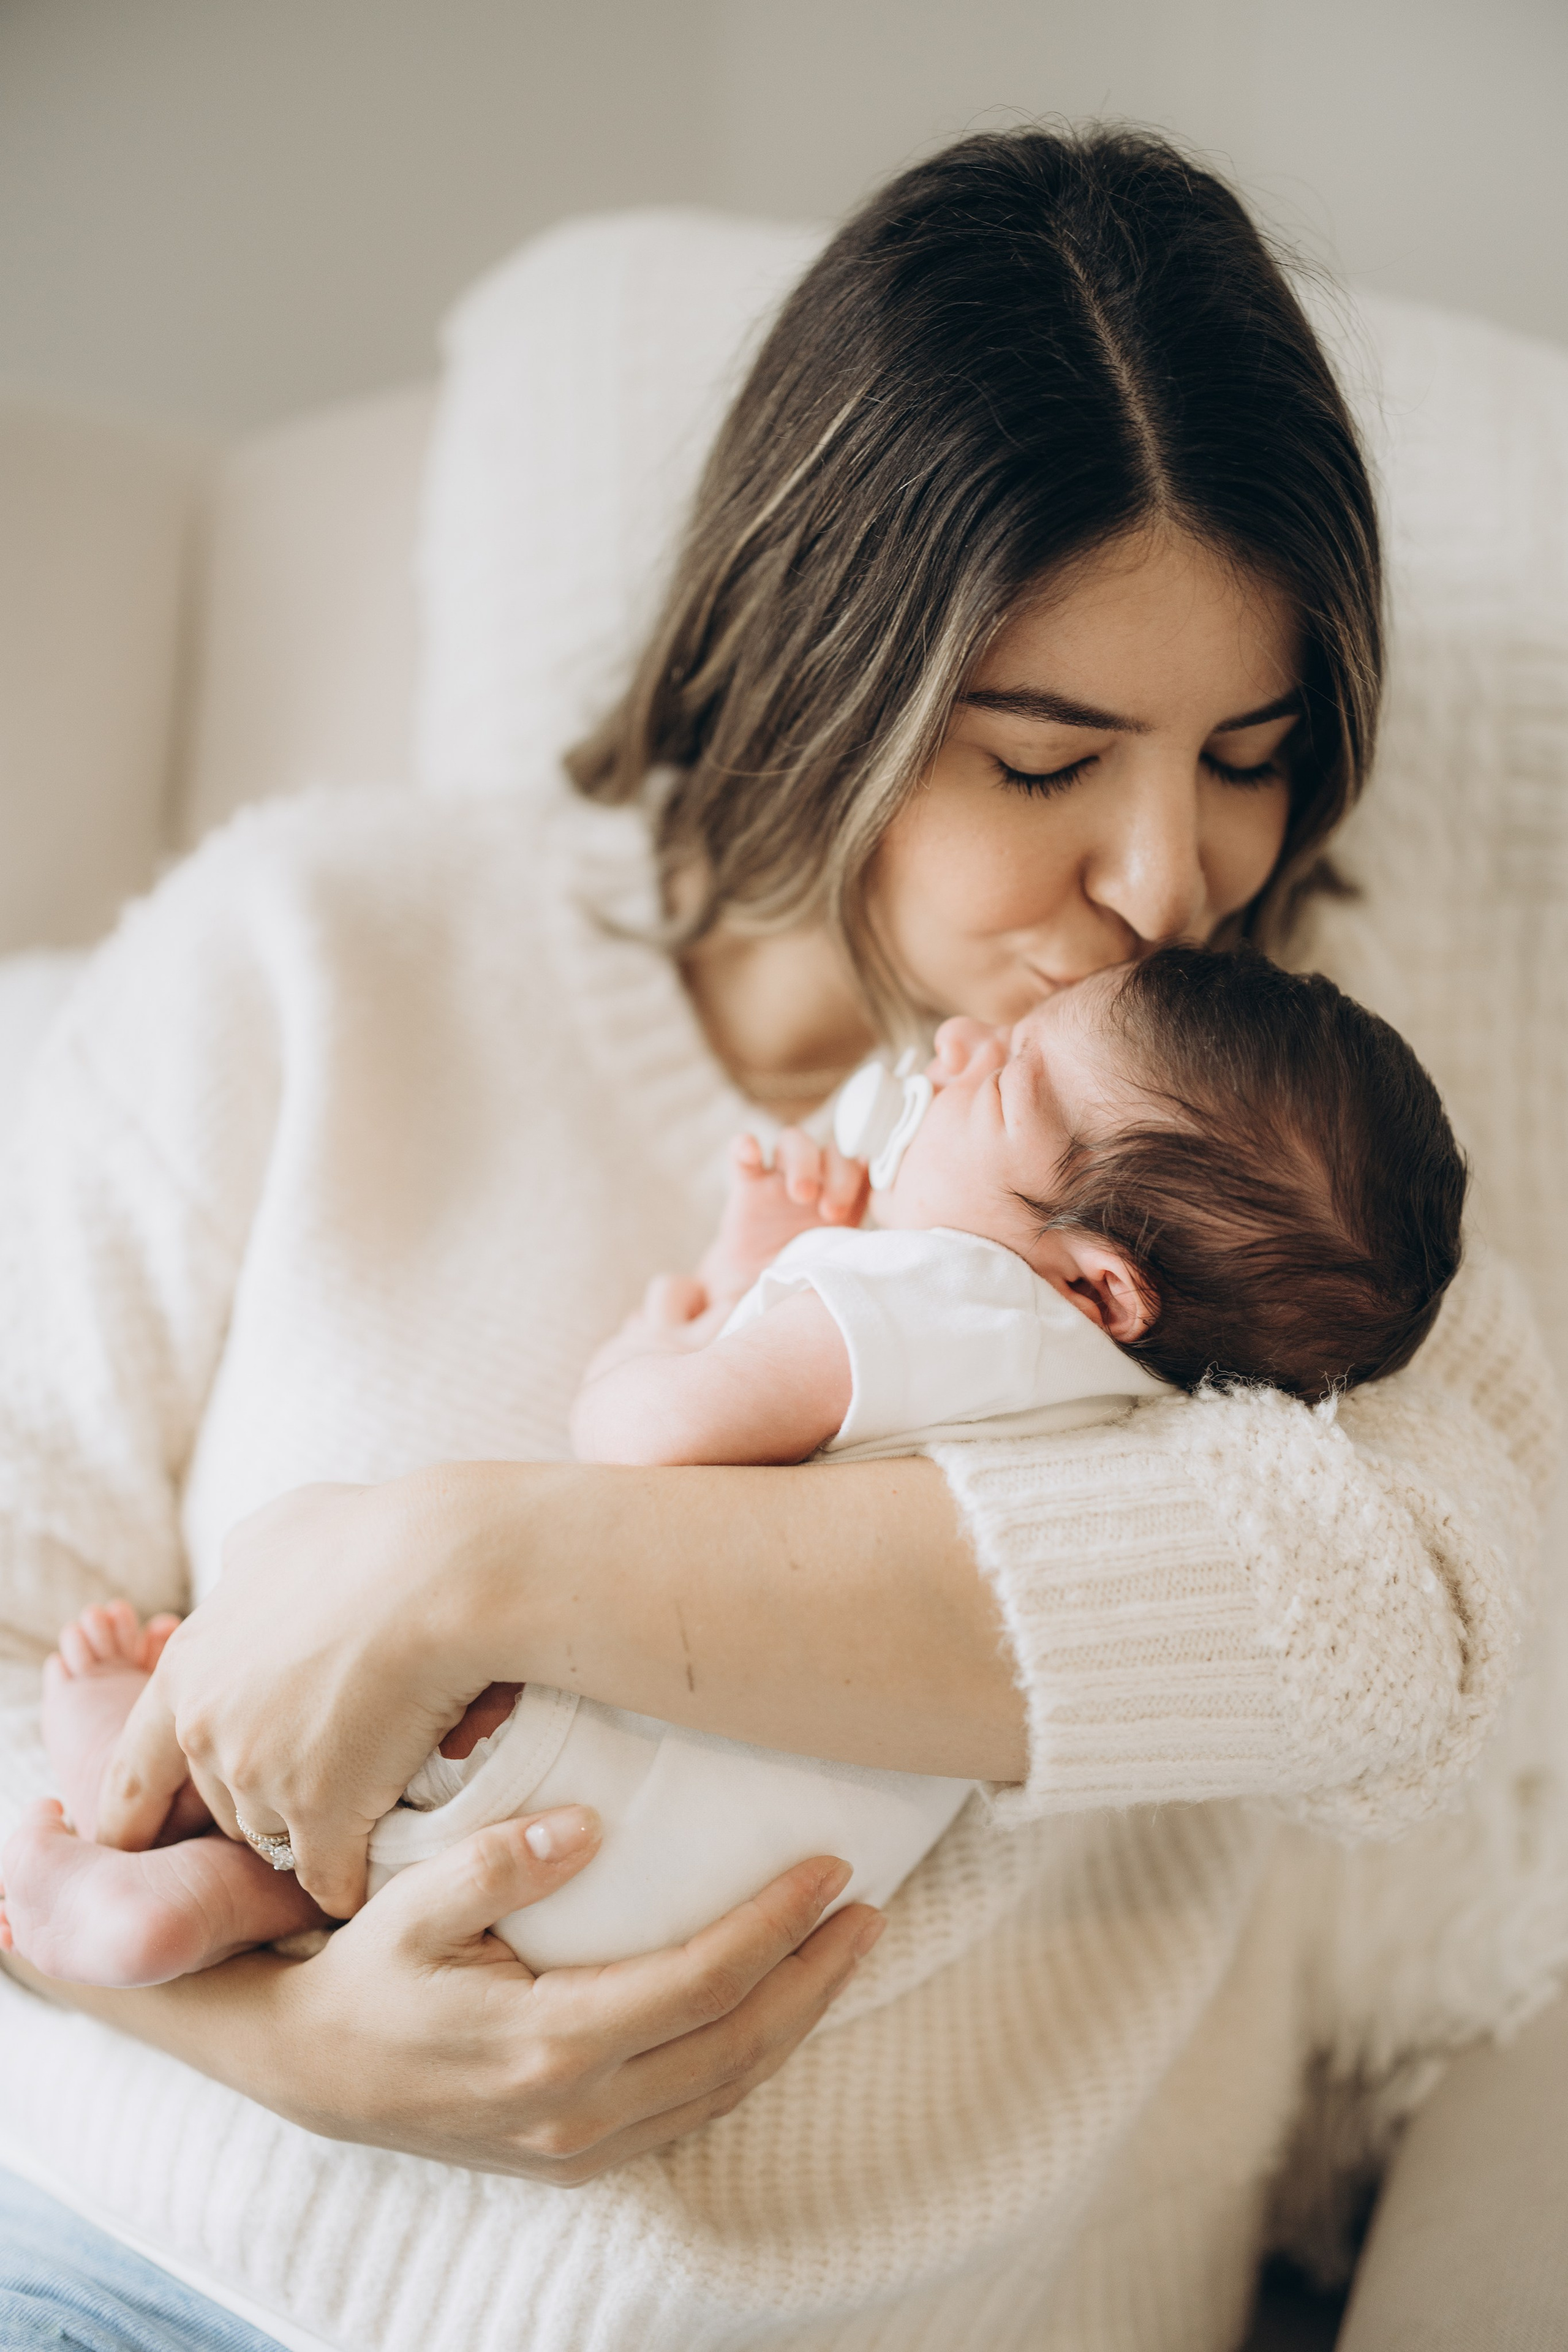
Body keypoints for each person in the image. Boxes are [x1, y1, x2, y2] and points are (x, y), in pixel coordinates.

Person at [0, 126, 1553, 2352]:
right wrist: (285, 2050)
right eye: (1046, 763)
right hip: (148, 2259)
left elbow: (1399, 1621)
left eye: (1253, 753)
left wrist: (475, 1562)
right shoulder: (311, 957)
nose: (1168, 876)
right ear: (827, 653)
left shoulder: (1282, 1166)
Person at [8, 944, 1469, 1992]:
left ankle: (140, 1809)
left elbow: (645, 1447)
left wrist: (694, 1308)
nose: (955, 1051)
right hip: (676, 1906)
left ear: (1095, 1289)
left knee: (321, 1542)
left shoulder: (929, 1297)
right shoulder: (1132, 1426)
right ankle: (168, 1906)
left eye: (1006, 1079)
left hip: (538, 1754)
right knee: (368, 1848)